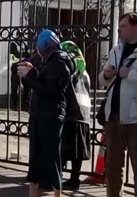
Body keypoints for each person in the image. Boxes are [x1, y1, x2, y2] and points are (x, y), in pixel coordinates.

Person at [17, 30, 73, 197]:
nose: (36, 50)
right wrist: (32, 71)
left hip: (50, 115)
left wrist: (31, 75)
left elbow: (51, 89)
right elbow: (42, 83)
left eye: (38, 46)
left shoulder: (59, 60)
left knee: (51, 157)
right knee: (36, 157)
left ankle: (57, 194)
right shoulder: (49, 60)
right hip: (40, 113)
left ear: (46, 44)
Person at [99, 12, 137, 196]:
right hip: (113, 117)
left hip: (134, 119)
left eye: (123, 26)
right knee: (113, 168)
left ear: (134, 26)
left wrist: (129, 74)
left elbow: (129, 76)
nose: (119, 29)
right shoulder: (116, 50)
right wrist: (106, 74)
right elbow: (102, 79)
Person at [60, 41, 91, 190]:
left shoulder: (70, 66)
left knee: (67, 148)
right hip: (84, 113)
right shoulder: (83, 69)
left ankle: (59, 177)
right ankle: (74, 179)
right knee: (77, 151)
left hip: (72, 112)